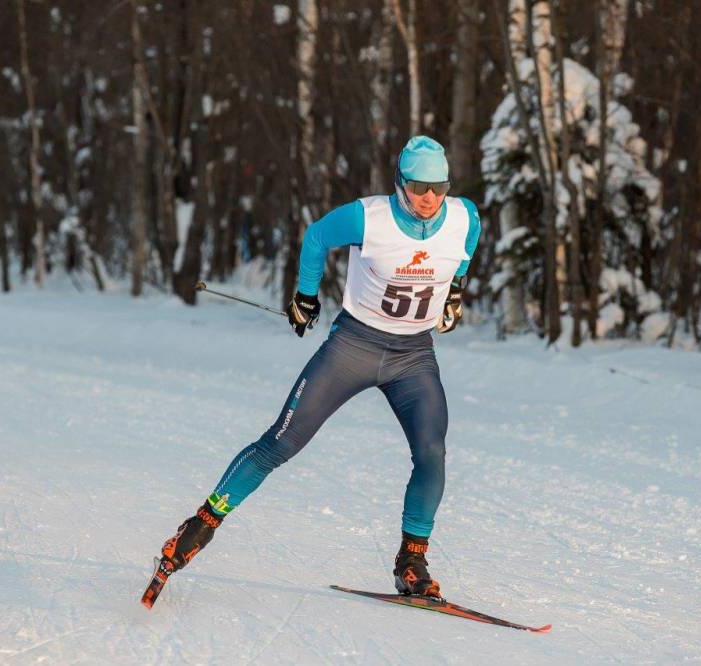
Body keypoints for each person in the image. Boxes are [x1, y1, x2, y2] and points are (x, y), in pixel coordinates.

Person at [155, 135, 481, 599]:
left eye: (438, 187)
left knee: (432, 453)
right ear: (399, 183)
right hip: (354, 346)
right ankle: (201, 524)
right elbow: (316, 237)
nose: (429, 198)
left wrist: (455, 290)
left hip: (413, 356)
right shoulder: (368, 216)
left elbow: (467, 245)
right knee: (281, 443)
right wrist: (306, 295)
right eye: (418, 186)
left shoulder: (464, 215)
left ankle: (412, 561)